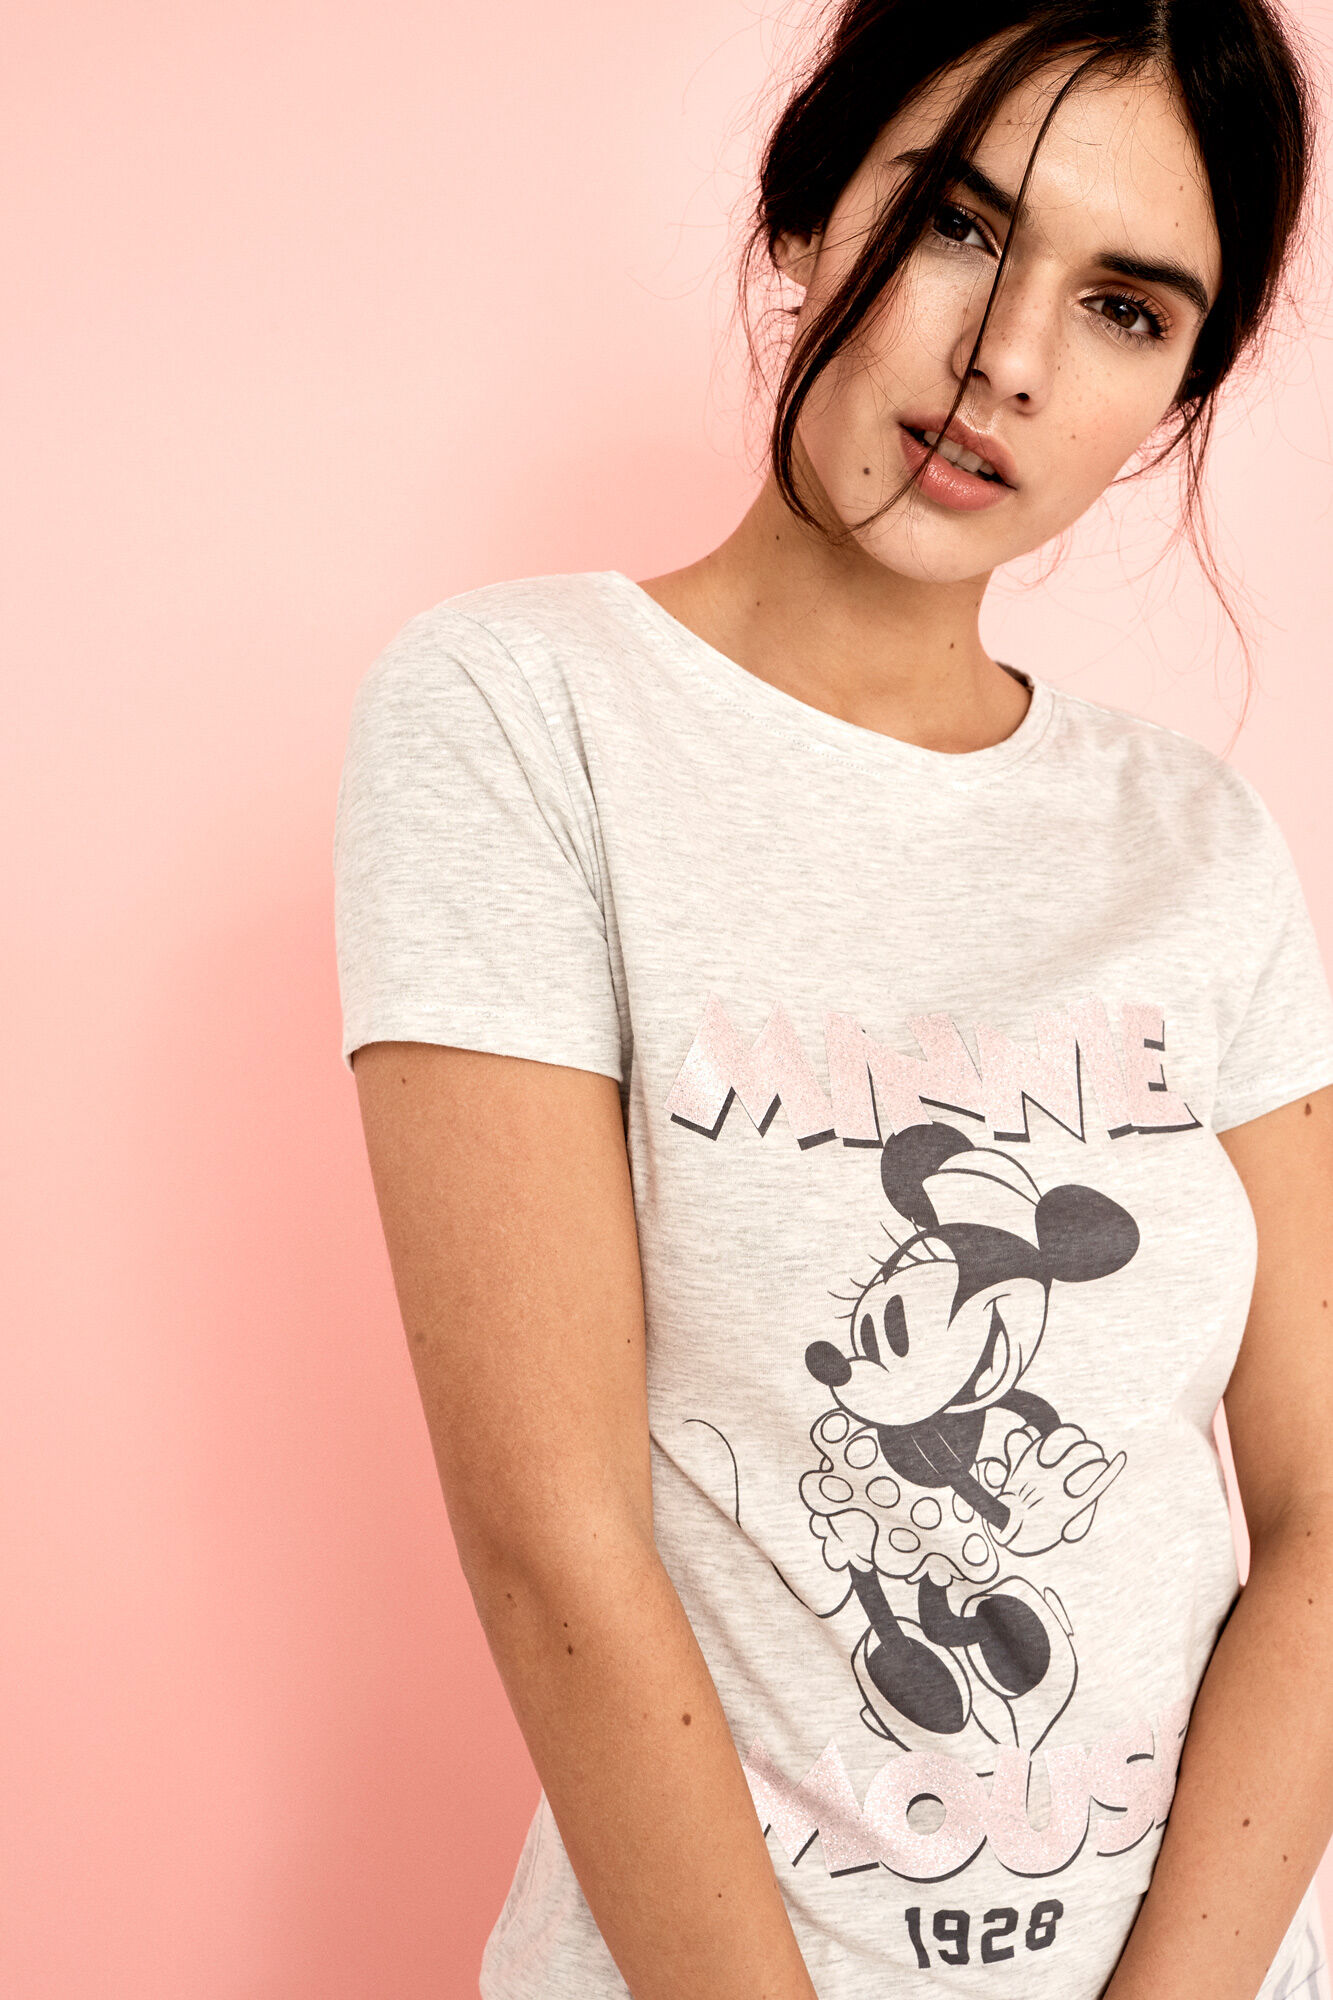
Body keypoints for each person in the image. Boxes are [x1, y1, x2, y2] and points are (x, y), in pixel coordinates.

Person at [332, 3, 1333, 1996]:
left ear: (1174, 390)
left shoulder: (1196, 839)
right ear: (804, 211)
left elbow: (1324, 1506)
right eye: (957, 223)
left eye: (1124, 308)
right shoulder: (525, 716)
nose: (1009, 358)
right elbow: (551, 1536)